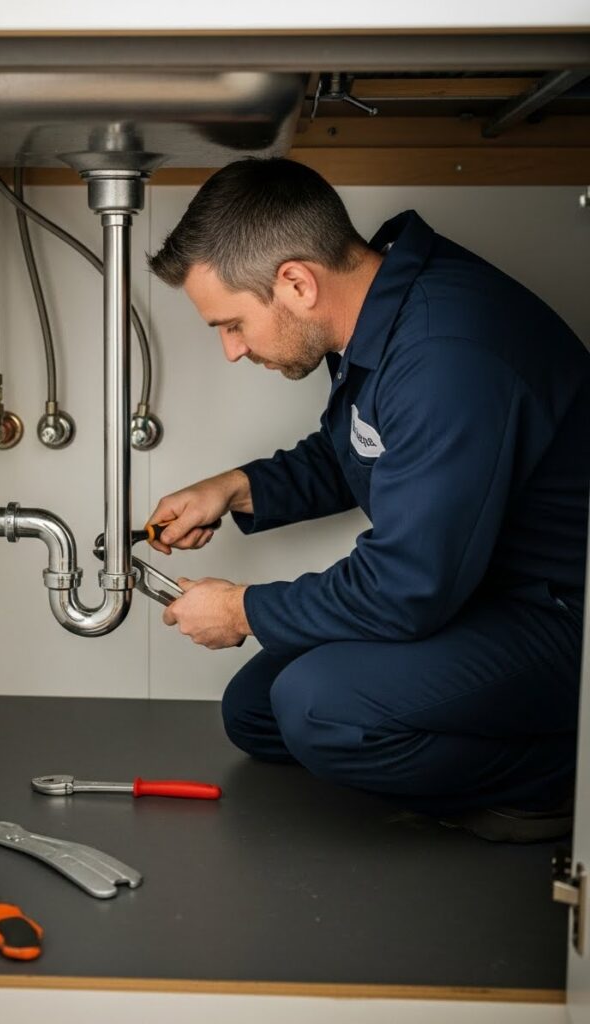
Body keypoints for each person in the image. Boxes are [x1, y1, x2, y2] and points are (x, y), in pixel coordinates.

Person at [145, 157, 590, 842]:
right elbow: (366, 446)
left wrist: (243, 609)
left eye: (231, 324)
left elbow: (406, 586)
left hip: (558, 621)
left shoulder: (447, 354)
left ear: (295, 281)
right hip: (475, 590)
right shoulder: (384, 306)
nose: (232, 351)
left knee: (317, 708)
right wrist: (237, 488)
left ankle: (559, 777)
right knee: (255, 711)